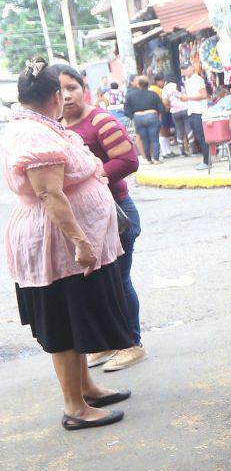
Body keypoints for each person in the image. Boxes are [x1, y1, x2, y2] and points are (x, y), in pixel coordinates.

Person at [1, 59, 133, 430]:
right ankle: (75, 407)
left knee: (76, 317)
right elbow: (49, 194)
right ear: (56, 97)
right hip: (55, 244)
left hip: (62, 242)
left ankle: (86, 388)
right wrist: (81, 241)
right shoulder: (34, 136)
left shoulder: (41, 127)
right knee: (62, 322)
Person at [54, 65, 147, 373]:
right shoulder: (57, 126)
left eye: (73, 88)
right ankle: (110, 341)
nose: (67, 96)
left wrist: (90, 178)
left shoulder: (100, 120)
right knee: (100, 284)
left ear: (85, 89)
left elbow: (128, 160)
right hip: (86, 220)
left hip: (116, 213)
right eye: (60, 90)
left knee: (119, 280)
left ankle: (132, 343)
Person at [123, 75, 167, 165]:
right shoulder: (153, 94)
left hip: (138, 117)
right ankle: (156, 159)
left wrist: (134, 116)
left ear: (138, 85)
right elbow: (161, 108)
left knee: (144, 139)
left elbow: (126, 110)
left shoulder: (131, 95)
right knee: (154, 139)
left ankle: (148, 159)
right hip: (152, 116)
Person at [182, 63, 211, 170]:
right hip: (192, 111)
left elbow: (203, 95)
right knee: (199, 137)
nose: (185, 71)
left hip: (199, 111)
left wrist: (187, 97)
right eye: (183, 69)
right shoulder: (187, 81)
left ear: (192, 68)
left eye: (186, 68)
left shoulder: (198, 79)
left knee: (202, 137)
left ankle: (207, 161)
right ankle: (206, 160)